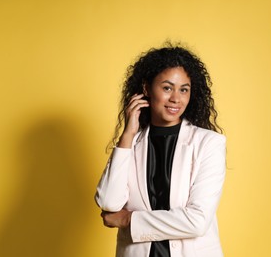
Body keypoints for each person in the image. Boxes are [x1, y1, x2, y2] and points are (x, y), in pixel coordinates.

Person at [95, 42, 227, 257]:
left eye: (183, 89)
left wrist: (129, 219)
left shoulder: (209, 143)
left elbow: (197, 221)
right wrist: (127, 135)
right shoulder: (131, 144)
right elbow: (109, 203)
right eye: (167, 88)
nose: (176, 98)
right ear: (147, 89)